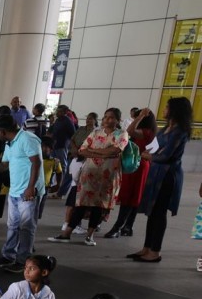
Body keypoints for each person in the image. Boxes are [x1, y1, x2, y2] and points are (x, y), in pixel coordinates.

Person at [49, 108, 127, 246]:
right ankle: (66, 233)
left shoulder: (122, 134)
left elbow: (116, 150)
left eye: (111, 117)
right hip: (89, 174)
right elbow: (82, 150)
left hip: (108, 176)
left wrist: (93, 151)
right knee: (81, 204)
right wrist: (103, 154)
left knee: (99, 206)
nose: (107, 120)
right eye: (105, 117)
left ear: (118, 120)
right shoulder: (96, 132)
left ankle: (90, 236)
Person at [130, 96, 192, 263]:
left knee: (159, 213)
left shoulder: (180, 131)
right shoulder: (165, 130)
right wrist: (149, 154)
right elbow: (152, 148)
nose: (164, 109)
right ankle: (147, 247)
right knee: (152, 213)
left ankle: (155, 251)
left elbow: (165, 155)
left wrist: (149, 156)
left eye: (167, 107)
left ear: (175, 110)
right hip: (156, 173)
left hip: (167, 175)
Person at [0, 114, 44, 270]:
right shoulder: (9, 143)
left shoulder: (28, 138)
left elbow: (37, 163)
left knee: (26, 227)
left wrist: (30, 187)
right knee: (13, 226)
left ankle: (22, 260)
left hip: (28, 191)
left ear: (2, 130)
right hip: (14, 190)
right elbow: (5, 165)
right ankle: (8, 256)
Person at [106, 107, 155, 238]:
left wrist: (139, 117)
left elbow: (129, 131)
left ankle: (118, 226)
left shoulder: (145, 131)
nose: (134, 119)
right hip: (137, 164)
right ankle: (128, 226)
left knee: (129, 197)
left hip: (137, 166)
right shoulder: (150, 131)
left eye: (137, 117)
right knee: (134, 197)